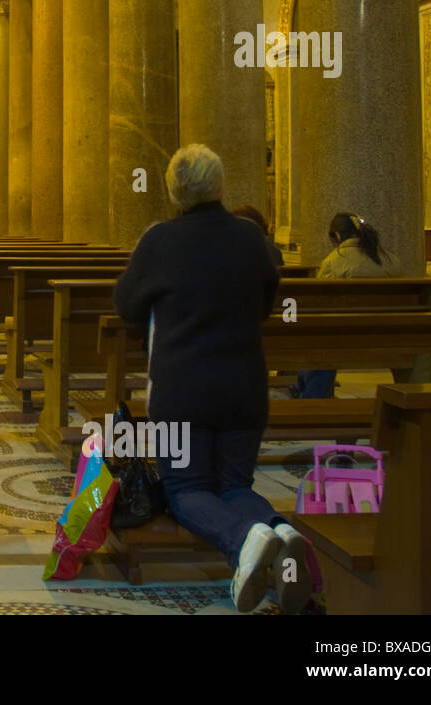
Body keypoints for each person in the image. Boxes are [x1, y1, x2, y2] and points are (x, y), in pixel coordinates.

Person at [113, 144, 311, 614]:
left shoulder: (160, 240)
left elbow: (126, 305)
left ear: (173, 190)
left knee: (186, 492)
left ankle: (245, 539)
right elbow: (266, 301)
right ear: (221, 186)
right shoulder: (249, 238)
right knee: (236, 485)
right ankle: (279, 534)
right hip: (244, 387)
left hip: (182, 391)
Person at [292, 212, 400, 399]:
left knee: (314, 341)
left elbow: (319, 306)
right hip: (390, 334)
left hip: (344, 337)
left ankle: (311, 397)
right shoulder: (390, 259)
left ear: (338, 236)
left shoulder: (333, 262)